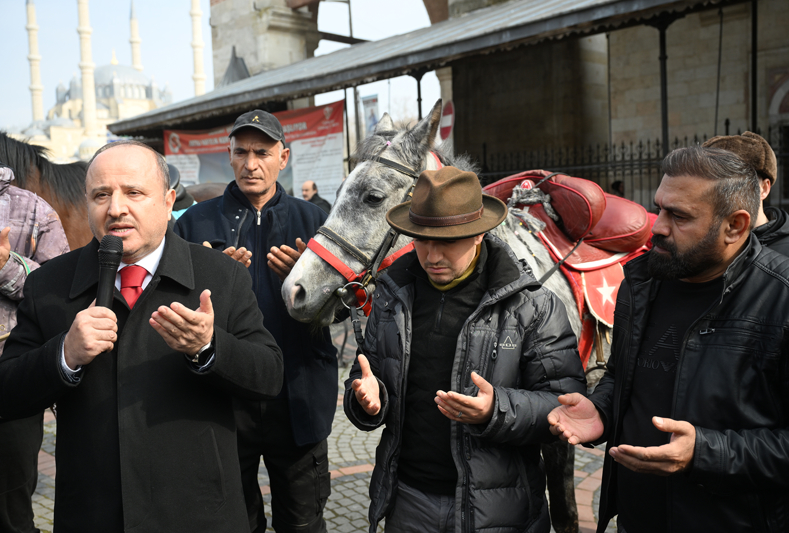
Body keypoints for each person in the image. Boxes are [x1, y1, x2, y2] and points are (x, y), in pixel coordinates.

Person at [0, 141, 284, 532]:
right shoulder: (49, 284)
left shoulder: (220, 275)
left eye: (133, 192)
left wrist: (208, 348)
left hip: (200, 514)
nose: (116, 208)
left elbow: (269, 375)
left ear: (168, 202)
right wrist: (64, 354)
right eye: (101, 195)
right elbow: (8, 392)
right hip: (93, 516)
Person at [548, 146, 789, 532]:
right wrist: (601, 410)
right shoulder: (641, 283)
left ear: (735, 226)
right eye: (660, 209)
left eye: (679, 216)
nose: (658, 227)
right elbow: (623, 376)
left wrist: (704, 453)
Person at [344, 166, 587, 533]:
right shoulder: (392, 296)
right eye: (421, 239)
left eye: (448, 241)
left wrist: (495, 410)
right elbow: (367, 374)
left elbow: (565, 404)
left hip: (499, 512)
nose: (432, 255)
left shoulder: (532, 306)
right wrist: (366, 399)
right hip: (408, 502)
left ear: (478, 234)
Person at [174, 110, 338, 533]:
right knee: (233, 523)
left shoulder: (316, 223)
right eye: (241, 152)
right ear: (229, 156)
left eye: (262, 152)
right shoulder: (194, 223)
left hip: (299, 395)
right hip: (224, 401)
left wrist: (311, 284)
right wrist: (211, 279)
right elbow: (170, 308)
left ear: (283, 158)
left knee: (303, 523)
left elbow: (343, 309)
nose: (251, 164)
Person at [0, 162, 69, 533]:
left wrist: (5, 265)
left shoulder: (33, 210)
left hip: (11, 372)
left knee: (12, 498)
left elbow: (58, 290)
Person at [703, 131, 789, 261]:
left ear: (764, 188)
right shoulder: (698, 245)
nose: (722, 192)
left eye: (736, 182)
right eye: (711, 183)